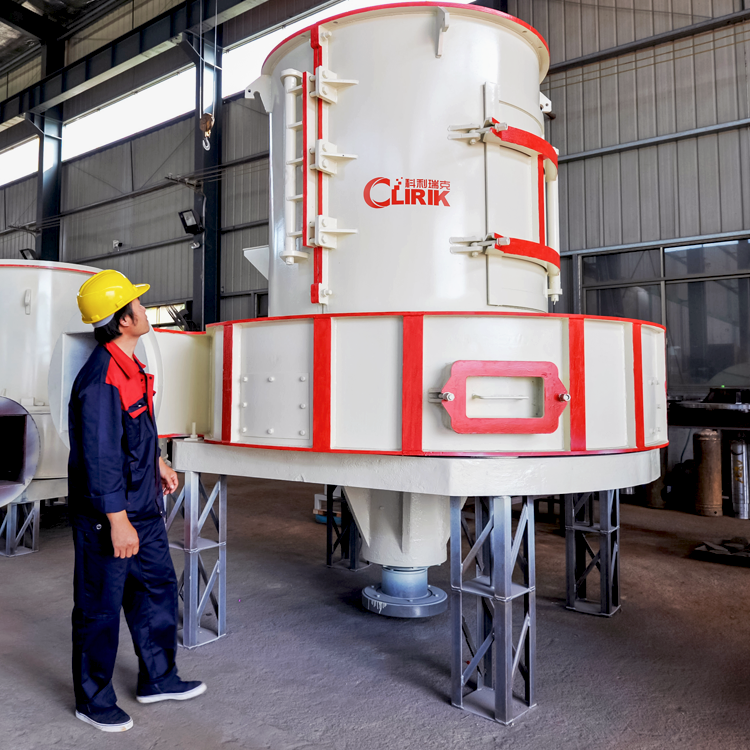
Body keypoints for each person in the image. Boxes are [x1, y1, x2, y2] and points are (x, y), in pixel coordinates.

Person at [68, 269, 205, 732]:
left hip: (142, 505)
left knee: (156, 589)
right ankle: (92, 700)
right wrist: (117, 519)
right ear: (124, 319)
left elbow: (135, 430)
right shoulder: (101, 378)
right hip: (110, 514)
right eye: (139, 305)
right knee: (100, 606)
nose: (145, 310)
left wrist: (159, 462)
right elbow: (100, 455)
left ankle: (158, 678)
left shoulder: (129, 365)